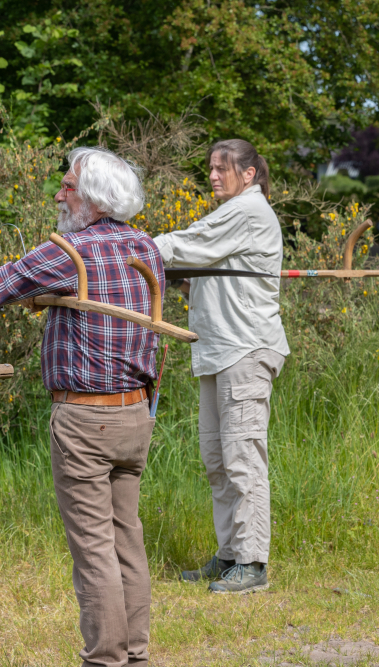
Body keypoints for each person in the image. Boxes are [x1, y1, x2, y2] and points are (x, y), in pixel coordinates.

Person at [0, 146, 160, 667]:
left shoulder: (71, 250)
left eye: (67, 185)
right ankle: (135, 655)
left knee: (94, 549)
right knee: (125, 538)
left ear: (94, 198)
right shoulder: (147, 247)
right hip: (136, 414)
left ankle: (104, 659)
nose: (59, 194)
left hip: (85, 416)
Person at [154, 139, 288, 594]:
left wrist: (131, 248)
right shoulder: (234, 212)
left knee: (242, 458)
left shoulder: (247, 210)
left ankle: (252, 564)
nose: (212, 175)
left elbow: (191, 243)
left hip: (244, 351)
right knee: (218, 460)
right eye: (210, 168)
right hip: (218, 352)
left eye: (221, 168)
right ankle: (229, 554)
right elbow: (202, 272)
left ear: (248, 174)